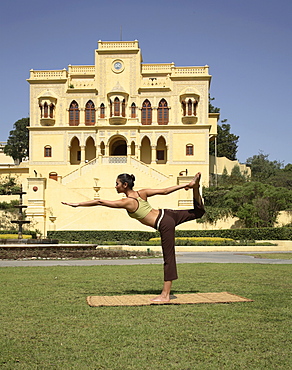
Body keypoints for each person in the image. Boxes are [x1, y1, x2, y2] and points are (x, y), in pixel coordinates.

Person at [62, 172, 205, 302]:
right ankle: (194, 187)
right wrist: (185, 185)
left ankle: (165, 295)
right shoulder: (142, 193)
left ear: (125, 185)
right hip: (167, 214)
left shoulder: (128, 202)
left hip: (164, 223)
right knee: (198, 212)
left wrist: (78, 204)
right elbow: (165, 191)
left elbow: (100, 202)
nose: (115, 186)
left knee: (169, 258)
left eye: (117, 184)